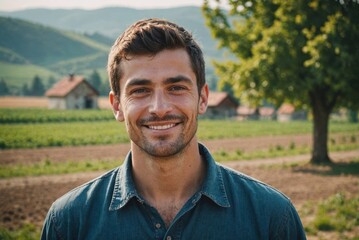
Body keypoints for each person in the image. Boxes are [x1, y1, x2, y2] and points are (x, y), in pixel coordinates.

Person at [41, 18, 306, 239]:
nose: (159, 107)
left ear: (202, 98)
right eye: (140, 90)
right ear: (116, 105)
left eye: (176, 88)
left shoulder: (272, 217)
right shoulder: (68, 224)